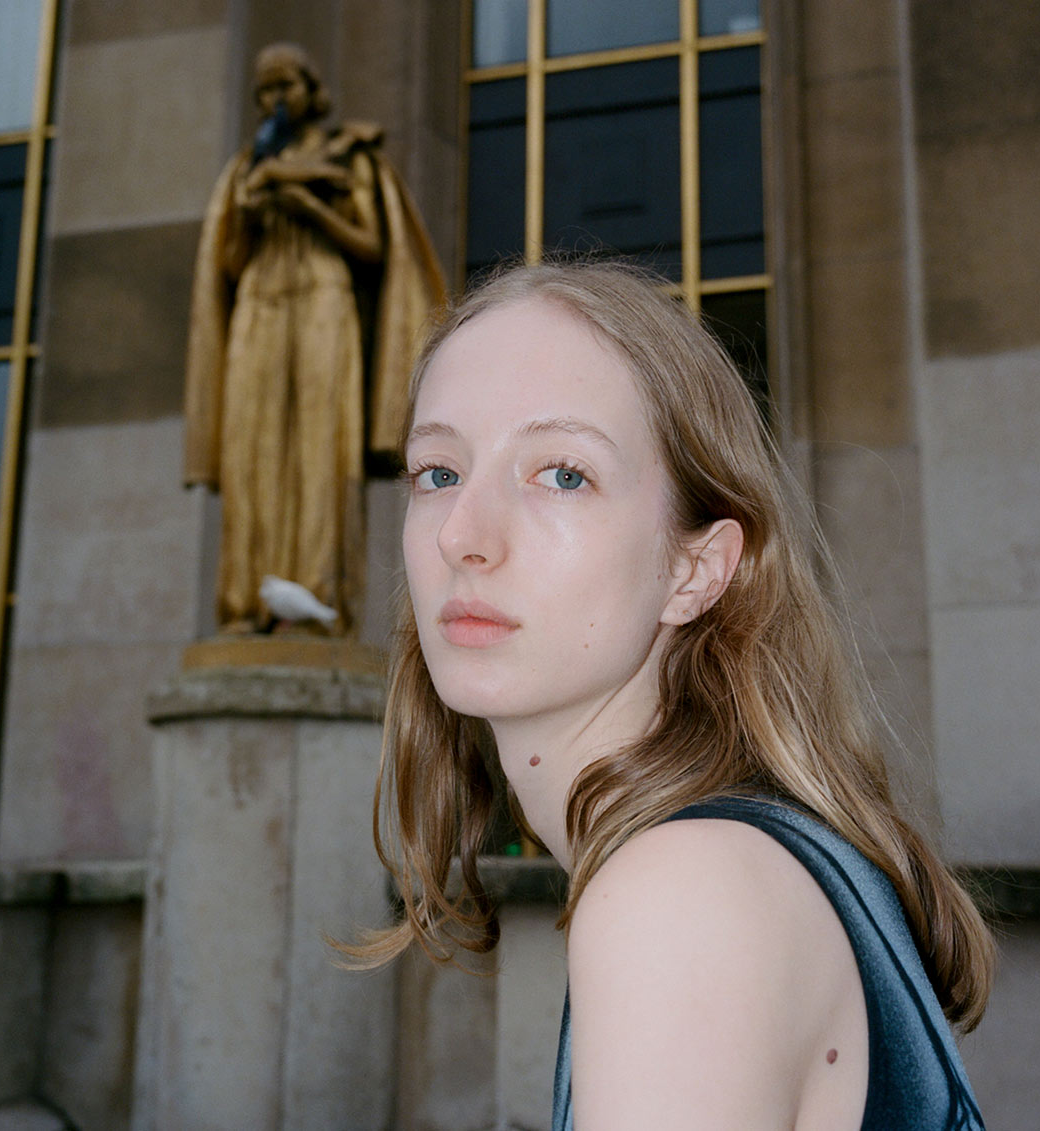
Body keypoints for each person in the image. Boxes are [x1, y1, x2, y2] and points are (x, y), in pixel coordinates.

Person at [347, 260, 995, 1129]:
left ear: (695, 568)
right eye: (437, 472)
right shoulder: (749, 857)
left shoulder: (682, 894)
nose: (462, 534)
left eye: (563, 473)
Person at [184, 42, 444, 634]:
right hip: (258, 303)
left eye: (287, 86)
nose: (276, 99)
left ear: (311, 89)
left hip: (325, 301)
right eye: (265, 90)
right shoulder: (247, 168)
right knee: (251, 448)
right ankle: (247, 603)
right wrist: (252, 212)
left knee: (321, 448)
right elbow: (227, 264)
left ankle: (321, 600)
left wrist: (306, 205)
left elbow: (373, 246)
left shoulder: (350, 156)